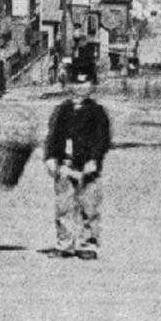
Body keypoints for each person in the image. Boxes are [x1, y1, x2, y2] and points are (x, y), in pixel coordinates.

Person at [44, 73, 111, 259]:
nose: (80, 87)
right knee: (64, 205)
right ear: (68, 86)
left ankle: (87, 243)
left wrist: (95, 159)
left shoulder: (97, 111)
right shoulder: (62, 110)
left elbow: (102, 139)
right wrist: (50, 157)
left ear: (92, 86)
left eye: (85, 83)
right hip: (65, 164)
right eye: (76, 83)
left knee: (89, 205)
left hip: (88, 166)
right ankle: (64, 243)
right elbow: (53, 136)